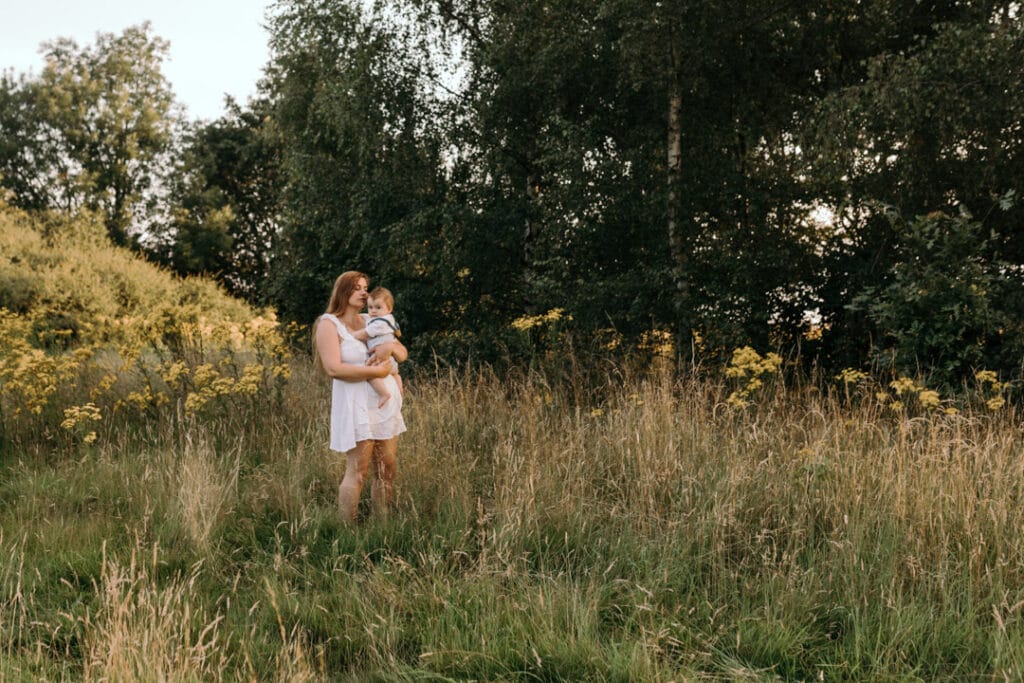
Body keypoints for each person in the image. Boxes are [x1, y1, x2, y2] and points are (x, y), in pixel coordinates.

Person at [314, 271, 407, 523]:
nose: (364, 293)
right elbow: (333, 368)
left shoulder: (371, 319)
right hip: (356, 407)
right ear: (343, 291)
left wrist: (390, 348)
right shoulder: (328, 324)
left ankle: (382, 524)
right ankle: (347, 530)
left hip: (383, 405)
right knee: (358, 471)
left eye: (366, 288)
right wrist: (376, 371)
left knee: (386, 468)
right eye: (357, 288)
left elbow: (402, 351)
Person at [351, 286, 403, 408]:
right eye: (370, 307)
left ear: (389, 308)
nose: (373, 311)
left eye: (378, 307)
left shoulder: (379, 323)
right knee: (395, 374)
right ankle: (399, 386)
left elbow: (365, 334)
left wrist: (351, 335)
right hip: (391, 361)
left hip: (380, 360)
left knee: (368, 372)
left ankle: (384, 393)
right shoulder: (389, 320)